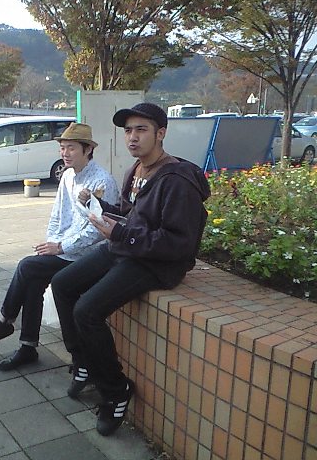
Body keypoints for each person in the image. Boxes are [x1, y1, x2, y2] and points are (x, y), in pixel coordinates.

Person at [51, 103, 210, 436]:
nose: (132, 137)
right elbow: (130, 214)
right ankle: (84, 360)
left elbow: (179, 244)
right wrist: (100, 207)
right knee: (63, 283)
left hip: (157, 263)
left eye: (141, 130)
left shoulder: (177, 180)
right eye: (128, 131)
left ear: (161, 133)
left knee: (87, 310)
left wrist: (123, 234)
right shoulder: (135, 170)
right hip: (127, 248)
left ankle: (116, 390)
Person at [0, 122, 119, 376]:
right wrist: (51, 243)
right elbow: (57, 215)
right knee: (33, 278)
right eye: (62, 148)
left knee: (27, 267)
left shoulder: (102, 181)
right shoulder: (68, 176)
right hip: (64, 250)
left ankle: (5, 321)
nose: (65, 153)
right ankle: (27, 347)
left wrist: (60, 246)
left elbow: (98, 231)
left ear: (87, 150)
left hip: (89, 256)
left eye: (71, 148)